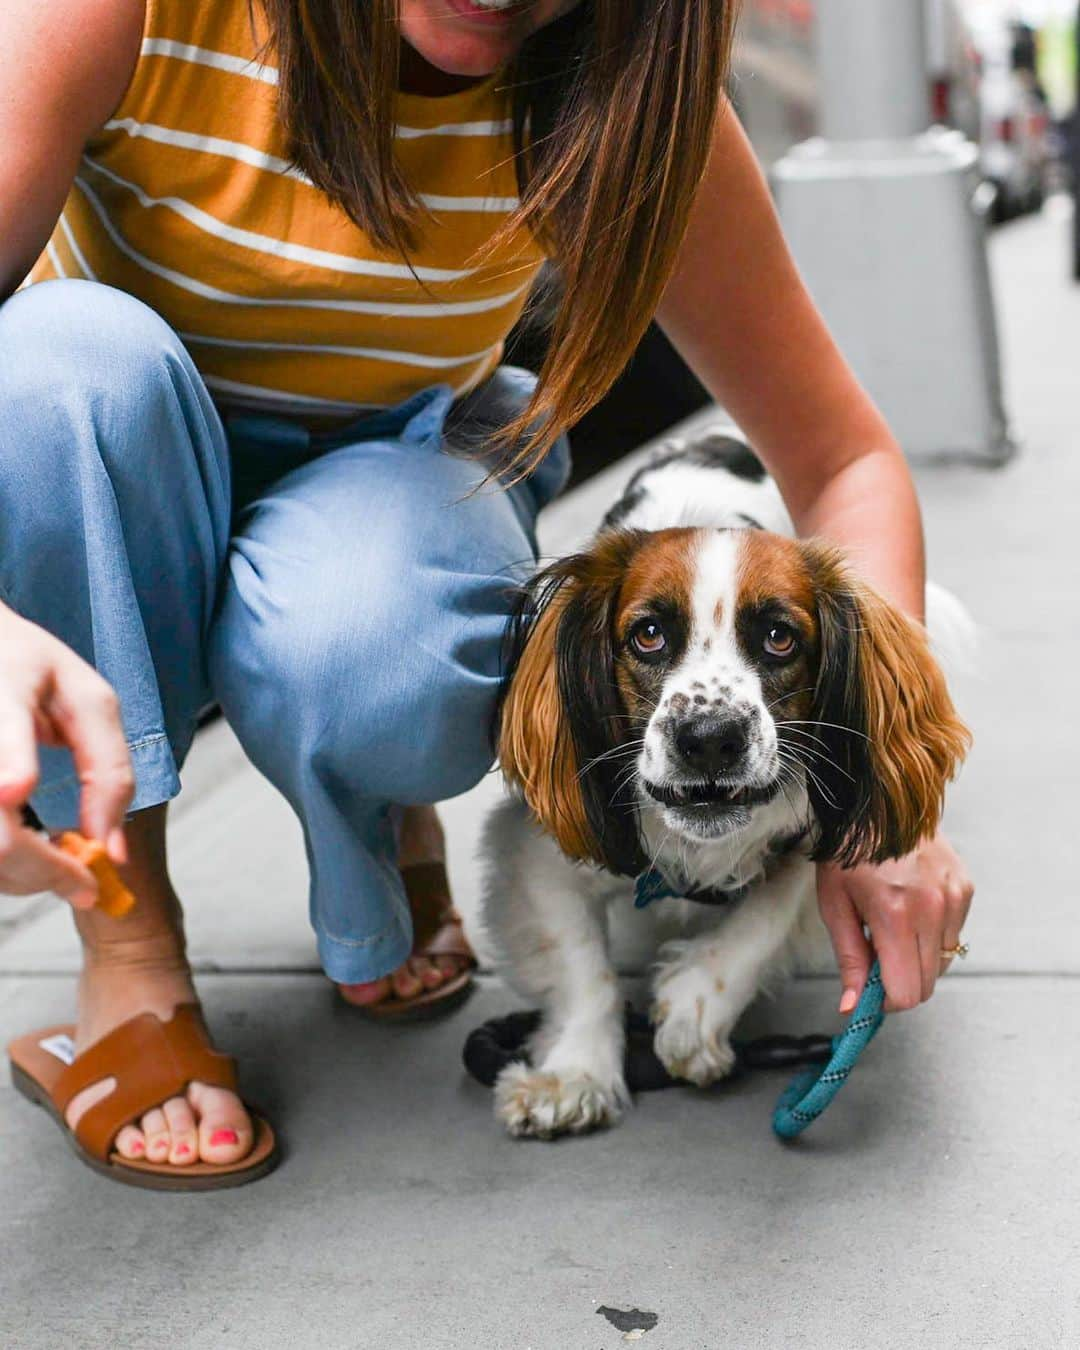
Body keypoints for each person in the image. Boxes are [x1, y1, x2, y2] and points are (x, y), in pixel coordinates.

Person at [0, 0, 974, 1188]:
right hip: (97, 472)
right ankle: (131, 955)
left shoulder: (627, 85)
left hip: (384, 476)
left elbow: (840, 462)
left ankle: (373, 813)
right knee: (51, 374)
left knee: (381, 655)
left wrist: (889, 802)